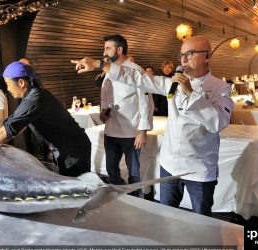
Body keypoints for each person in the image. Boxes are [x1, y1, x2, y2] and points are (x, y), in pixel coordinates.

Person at [71, 36, 234, 216]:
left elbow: (218, 122)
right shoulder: (173, 84)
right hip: (169, 164)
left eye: (190, 54)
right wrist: (99, 64)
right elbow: (137, 78)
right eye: (182, 55)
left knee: (202, 221)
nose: (184, 59)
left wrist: (191, 93)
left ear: (207, 56)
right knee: (166, 216)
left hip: (199, 168)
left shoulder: (220, 87)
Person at [0, 61, 91, 177]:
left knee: (77, 190)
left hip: (73, 150)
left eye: (8, 84)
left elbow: (3, 133)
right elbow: (16, 125)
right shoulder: (34, 95)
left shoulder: (35, 99)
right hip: (68, 147)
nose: (8, 89)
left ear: (21, 82)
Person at [99, 34, 152, 197]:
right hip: (111, 132)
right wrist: (104, 111)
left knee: (134, 175)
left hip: (131, 133)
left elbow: (146, 102)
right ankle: (118, 203)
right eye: (104, 49)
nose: (104, 53)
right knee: (112, 171)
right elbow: (106, 97)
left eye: (108, 48)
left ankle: (138, 205)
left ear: (119, 50)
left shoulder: (135, 70)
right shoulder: (108, 71)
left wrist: (143, 130)